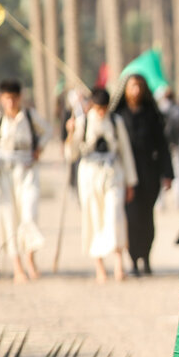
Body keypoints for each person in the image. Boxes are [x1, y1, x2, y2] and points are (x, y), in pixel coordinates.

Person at [0, 79, 47, 283]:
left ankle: (30, 258)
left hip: (27, 173)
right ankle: (18, 267)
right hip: (4, 176)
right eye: (7, 98)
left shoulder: (29, 116)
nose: (11, 102)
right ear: (1, 99)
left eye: (14, 98)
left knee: (29, 215)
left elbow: (47, 131)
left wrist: (39, 149)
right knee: (9, 220)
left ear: (20, 97)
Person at [66, 88, 137, 282]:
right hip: (90, 174)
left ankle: (119, 264)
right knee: (94, 217)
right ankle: (99, 266)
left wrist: (131, 182)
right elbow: (71, 154)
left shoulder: (116, 122)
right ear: (92, 106)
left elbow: (125, 151)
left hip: (113, 172)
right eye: (98, 108)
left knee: (115, 216)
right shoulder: (83, 121)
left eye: (104, 108)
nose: (101, 112)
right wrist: (70, 133)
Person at [113, 74, 173, 276]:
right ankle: (133, 260)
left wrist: (167, 173)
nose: (136, 91)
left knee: (147, 218)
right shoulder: (118, 115)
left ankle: (146, 258)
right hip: (125, 175)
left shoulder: (151, 114)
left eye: (139, 86)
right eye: (132, 87)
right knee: (131, 218)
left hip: (149, 173)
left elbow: (162, 145)